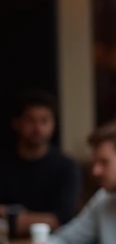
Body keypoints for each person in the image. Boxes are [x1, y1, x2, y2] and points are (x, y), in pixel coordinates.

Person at [0, 90, 82, 235]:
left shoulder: (66, 167)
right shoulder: (4, 163)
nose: (37, 128)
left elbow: (62, 219)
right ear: (16, 123)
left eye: (44, 121)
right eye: (30, 120)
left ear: (53, 124)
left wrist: (10, 218)